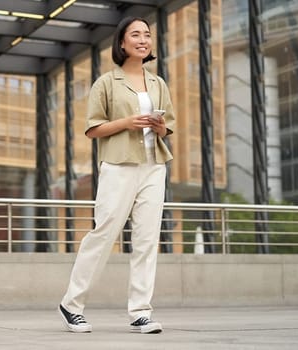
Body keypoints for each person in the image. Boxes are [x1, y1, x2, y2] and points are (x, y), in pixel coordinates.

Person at [58, 16, 175, 334]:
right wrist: (128, 122)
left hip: (154, 167)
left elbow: (167, 128)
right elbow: (93, 128)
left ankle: (140, 311)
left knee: (147, 240)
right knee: (104, 233)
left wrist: (158, 125)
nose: (143, 39)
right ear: (121, 43)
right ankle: (72, 304)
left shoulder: (158, 83)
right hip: (119, 166)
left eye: (147, 35)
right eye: (135, 34)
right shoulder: (106, 83)